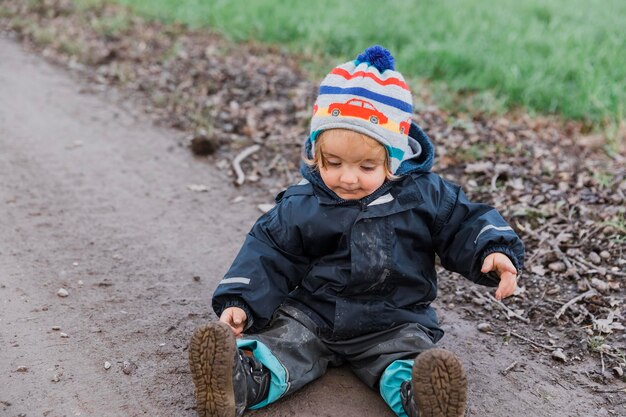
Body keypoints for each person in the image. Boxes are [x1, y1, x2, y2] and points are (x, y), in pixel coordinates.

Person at [188, 45, 524, 417]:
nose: (347, 178)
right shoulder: (305, 203)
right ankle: (237, 383)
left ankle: (425, 399)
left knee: (408, 358)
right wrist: (240, 301)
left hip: (394, 319)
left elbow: (463, 221)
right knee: (283, 345)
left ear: (394, 158)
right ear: (316, 154)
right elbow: (269, 251)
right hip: (314, 315)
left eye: (367, 166)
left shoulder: (424, 196)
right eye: (333, 163)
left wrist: (492, 249)